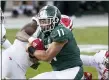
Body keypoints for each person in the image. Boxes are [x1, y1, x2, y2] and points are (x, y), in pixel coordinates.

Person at [26, 5, 83, 79]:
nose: (43, 24)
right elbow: (35, 60)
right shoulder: (42, 33)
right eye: (42, 21)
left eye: (46, 21)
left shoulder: (60, 31)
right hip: (58, 72)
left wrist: (31, 49)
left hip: (71, 71)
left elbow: (46, 56)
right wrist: (32, 55)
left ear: (55, 20)